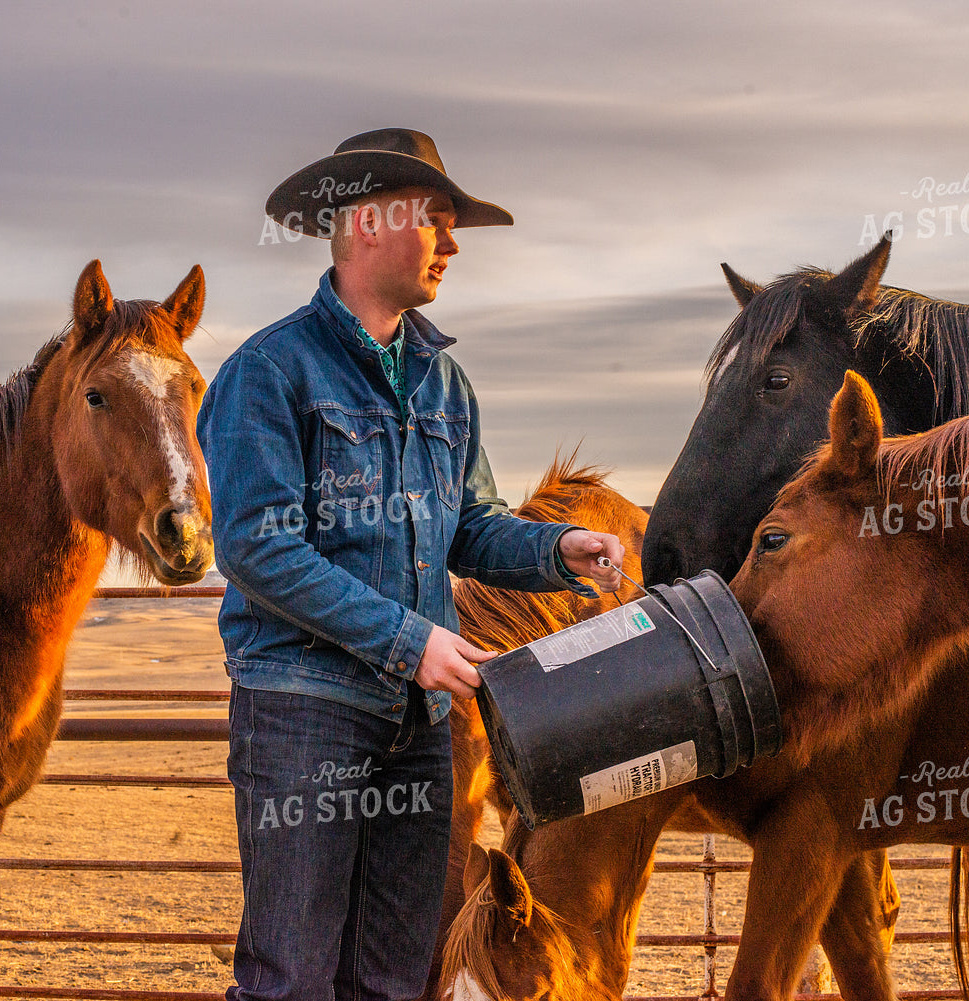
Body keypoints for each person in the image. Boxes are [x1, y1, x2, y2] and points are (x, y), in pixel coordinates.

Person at [197, 127, 625, 1001]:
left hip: (419, 722)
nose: (454, 242)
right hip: (305, 713)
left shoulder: (444, 385)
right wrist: (409, 638)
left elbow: (468, 525)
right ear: (366, 221)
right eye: (436, 219)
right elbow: (256, 544)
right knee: (292, 978)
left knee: (395, 976)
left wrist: (556, 550)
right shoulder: (268, 372)